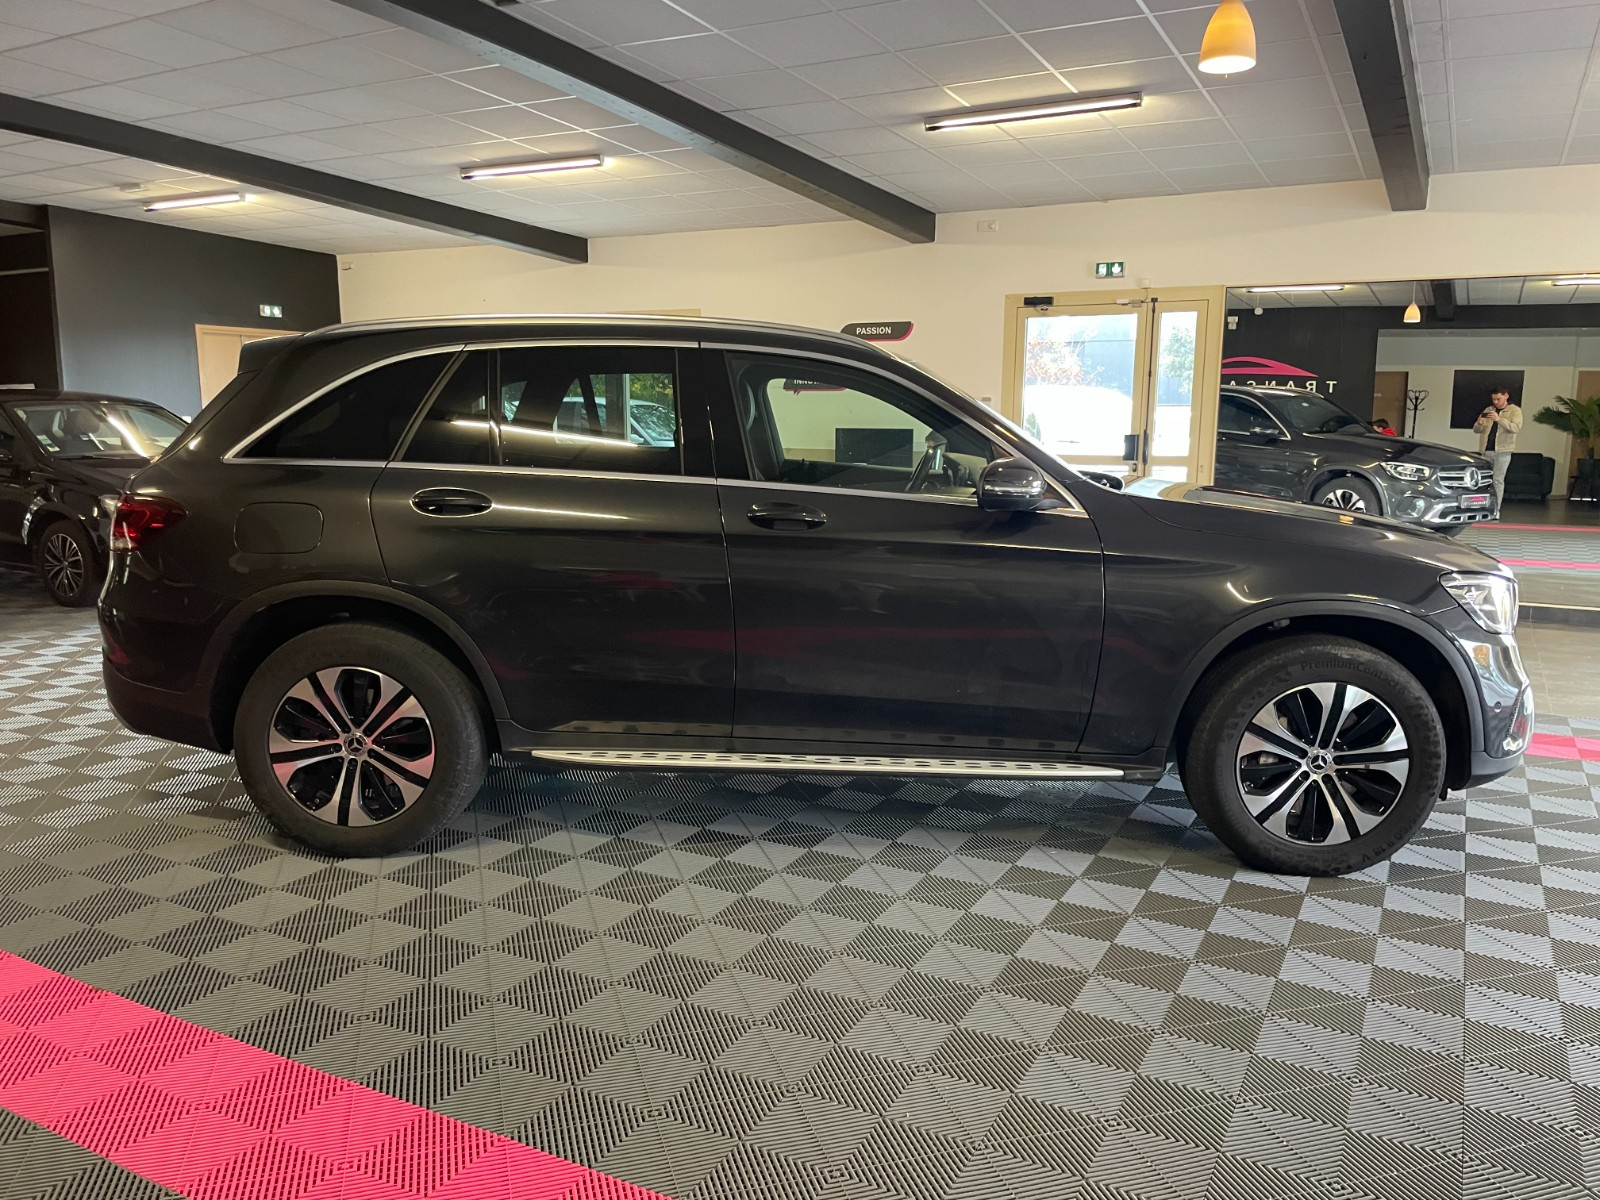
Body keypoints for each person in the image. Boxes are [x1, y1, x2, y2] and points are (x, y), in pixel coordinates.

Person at [1472, 386, 1522, 512]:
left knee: (1497, 480)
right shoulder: (1488, 410)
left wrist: (1499, 419)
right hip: (1486, 450)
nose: (1495, 402)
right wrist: (1479, 423)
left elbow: (1515, 428)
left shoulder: (1515, 411)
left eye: (1498, 399)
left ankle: (1495, 509)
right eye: (1493, 399)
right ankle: (1483, 507)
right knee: (1484, 480)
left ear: (1506, 396)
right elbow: (1477, 430)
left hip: (1503, 451)